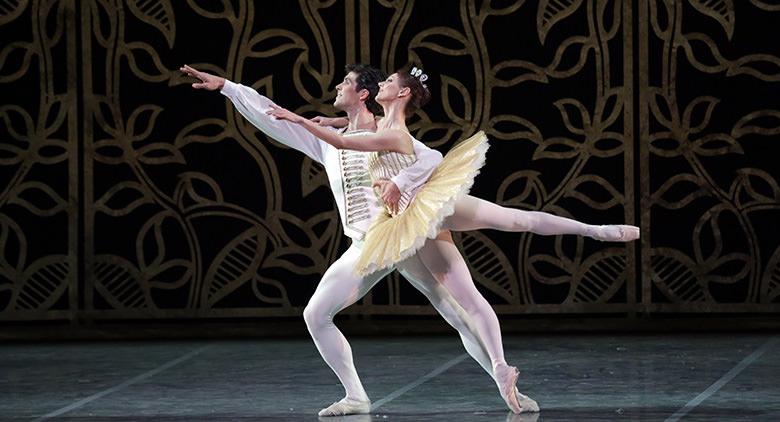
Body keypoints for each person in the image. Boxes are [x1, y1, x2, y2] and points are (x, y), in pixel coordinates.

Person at [180, 64, 540, 416]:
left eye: (345, 83)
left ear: (363, 94)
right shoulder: (326, 142)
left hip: (400, 237)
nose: (337, 87)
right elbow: (271, 116)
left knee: (457, 314)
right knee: (316, 314)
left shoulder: (387, 131)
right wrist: (228, 87)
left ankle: (507, 385)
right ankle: (355, 396)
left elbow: (427, 158)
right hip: (366, 246)